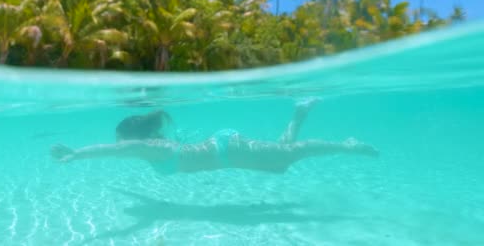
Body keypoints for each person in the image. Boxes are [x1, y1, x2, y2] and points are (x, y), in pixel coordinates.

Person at [50, 98, 379, 175]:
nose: (122, 144)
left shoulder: (145, 146)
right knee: (281, 158)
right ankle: (300, 114)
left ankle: (345, 147)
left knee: (289, 154)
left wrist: (75, 154)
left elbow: (109, 151)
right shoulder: (153, 146)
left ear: (132, 136)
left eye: (122, 138)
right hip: (225, 148)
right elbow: (115, 149)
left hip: (226, 150)